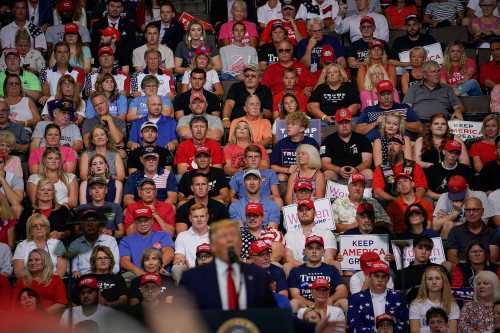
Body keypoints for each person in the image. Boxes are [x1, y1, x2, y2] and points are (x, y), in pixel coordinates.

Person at [180, 219, 276, 310]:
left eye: (233, 235)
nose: (229, 240)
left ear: (241, 244)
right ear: (213, 246)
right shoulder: (192, 278)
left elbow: (269, 316)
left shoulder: (259, 276)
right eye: (223, 236)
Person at [347, 260, 408, 332]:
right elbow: (354, 327)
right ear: (369, 277)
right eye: (376, 276)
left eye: (383, 276)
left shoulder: (399, 298)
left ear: (388, 279)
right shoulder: (355, 299)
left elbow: (404, 325)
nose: (380, 280)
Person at [288, 235, 347, 308]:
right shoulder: (296, 271)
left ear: (323, 252)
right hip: (306, 307)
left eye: (318, 248)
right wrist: (312, 305)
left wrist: (330, 300)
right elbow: (295, 295)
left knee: (344, 302)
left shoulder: (331, 269)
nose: (314, 251)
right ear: (304, 252)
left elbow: (343, 291)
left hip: (328, 305)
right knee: (294, 303)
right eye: (310, 248)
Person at [355, 80, 421, 142]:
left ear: (393, 93)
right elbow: (358, 131)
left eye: (388, 93)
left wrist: (400, 122)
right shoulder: (369, 110)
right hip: (376, 144)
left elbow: (419, 128)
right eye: (383, 94)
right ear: (377, 94)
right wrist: (375, 123)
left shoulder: (404, 108)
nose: (386, 97)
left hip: (402, 144)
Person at [119, 206, 174, 277]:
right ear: (135, 223)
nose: (143, 224)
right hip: (137, 274)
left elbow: (169, 252)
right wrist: (141, 273)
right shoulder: (126, 240)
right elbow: (124, 261)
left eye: (146, 220)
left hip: (160, 272)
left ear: (152, 220)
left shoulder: (162, 235)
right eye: (139, 221)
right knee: (125, 277)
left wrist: (158, 268)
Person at [322, 109, 373, 182]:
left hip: (357, 173)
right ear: (336, 123)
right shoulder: (328, 140)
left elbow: (367, 162)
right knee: (327, 174)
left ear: (351, 122)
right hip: (337, 174)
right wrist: (338, 170)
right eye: (341, 122)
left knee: (368, 173)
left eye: (347, 122)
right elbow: (324, 164)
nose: (344, 125)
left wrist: (356, 170)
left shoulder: (362, 139)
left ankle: (365, 194)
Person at [372, 135, 428, 202]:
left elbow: (421, 188)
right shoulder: (381, 168)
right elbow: (378, 191)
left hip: (412, 203)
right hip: (390, 203)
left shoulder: (413, 166)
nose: (392, 147)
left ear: (403, 148)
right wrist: (398, 202)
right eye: (389, 144)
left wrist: (411, 201)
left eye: (395, 144)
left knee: (427, 200)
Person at [284, 199, 337, 267]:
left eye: (308, 209)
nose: (304, 212)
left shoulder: (327, 233)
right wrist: (306, 269)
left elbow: (328, 259)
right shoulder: (289, 235)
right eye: (301, 210)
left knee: (335, 264)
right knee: (287, 266)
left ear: (315, 213)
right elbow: (289, 259)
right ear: (297, 215)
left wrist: (313, 269)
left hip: (322, 271)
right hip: (298, 271)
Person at [69, 208, 120, 277]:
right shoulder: (75, 244)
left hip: (107, 277)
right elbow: (74, 270)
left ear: (99, 224)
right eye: (86, 221)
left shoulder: (110, 240)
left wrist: (99, 275)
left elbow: (116, 267)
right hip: (84, 280)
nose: (90, 224)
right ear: (81, 225)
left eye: (94, 221)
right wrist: (75, 271)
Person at [13, 249, 67, 314]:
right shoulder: (22, 280)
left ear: (45, 262)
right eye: (30, 260)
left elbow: (61, 303)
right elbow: (15, 304)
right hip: (26, 317)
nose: (32, 263)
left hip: (48, 317)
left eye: (37, 260)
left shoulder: (56, 279)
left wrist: (42, 314)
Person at [446, 197, 499, 264]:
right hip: (463, 269)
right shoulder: (455, 232)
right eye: (468, 210)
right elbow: (452, 257)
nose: (471, 213)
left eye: (475, 210)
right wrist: (466, 269)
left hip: (486, 269)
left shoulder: (492, 233)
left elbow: (493, 258)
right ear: (464, 212)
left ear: (482, 211)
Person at [409, 266, 459, 333]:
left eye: (437, 278)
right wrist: (434, 329)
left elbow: (453, 331)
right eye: (430, 279)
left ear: (443, 281)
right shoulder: (416, 305)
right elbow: (414, 331)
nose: (434, 282)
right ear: (425, 283)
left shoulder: (452, 305)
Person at [295, 18, 346, 84]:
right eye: (314, 31)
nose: (318, 33)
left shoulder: (332, 40)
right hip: (311, 75)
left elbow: (342, 62)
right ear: (308, 31)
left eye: (320, 30)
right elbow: (304, 65)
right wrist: (309, 48)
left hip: (330, 73)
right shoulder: (303, 43)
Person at [270, 112, 318, 182]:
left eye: (293, 124)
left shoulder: (311, 143)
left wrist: (303, 170)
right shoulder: (280, 144)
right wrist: (287, 170)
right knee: (280, 177)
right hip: (287, 174)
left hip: (307, 174)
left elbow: (317, 164)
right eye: (288, 124)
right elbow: (273, 167)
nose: (289, 126)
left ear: (301, 129)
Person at [90, 0, 136, 71]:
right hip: (101, 62)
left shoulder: (129, 25)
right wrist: (102, 43)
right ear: (107, 7)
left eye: (118, 7)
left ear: (122, 9)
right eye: (112, 6)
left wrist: (114, 48)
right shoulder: (98, 24)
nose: (115, 9)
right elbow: (93, 47)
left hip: (122, 62)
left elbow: (131, 47)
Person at [172, 203, 210, 283]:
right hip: (191, 273)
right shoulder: (182, 236)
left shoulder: (216, 234)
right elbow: (178, 258)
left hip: (213, 273)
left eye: (202, 216)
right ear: (190, 218)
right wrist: (181, 261)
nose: (199, 219)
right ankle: (183, 294)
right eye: (196, 217)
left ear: (207, 217)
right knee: (177, 268)